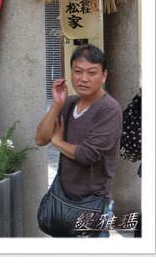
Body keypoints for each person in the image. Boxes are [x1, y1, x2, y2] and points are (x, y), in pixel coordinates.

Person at [36, 44, 123, 237]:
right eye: (78, 71)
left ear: (104, 75)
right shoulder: (69, 103)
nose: (83, 78)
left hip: (93, 202)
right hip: (63, 199)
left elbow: (86, 155)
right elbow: (41, 139)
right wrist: (57, 105)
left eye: (92, 73)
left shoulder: (109, 109)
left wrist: (57, 142)